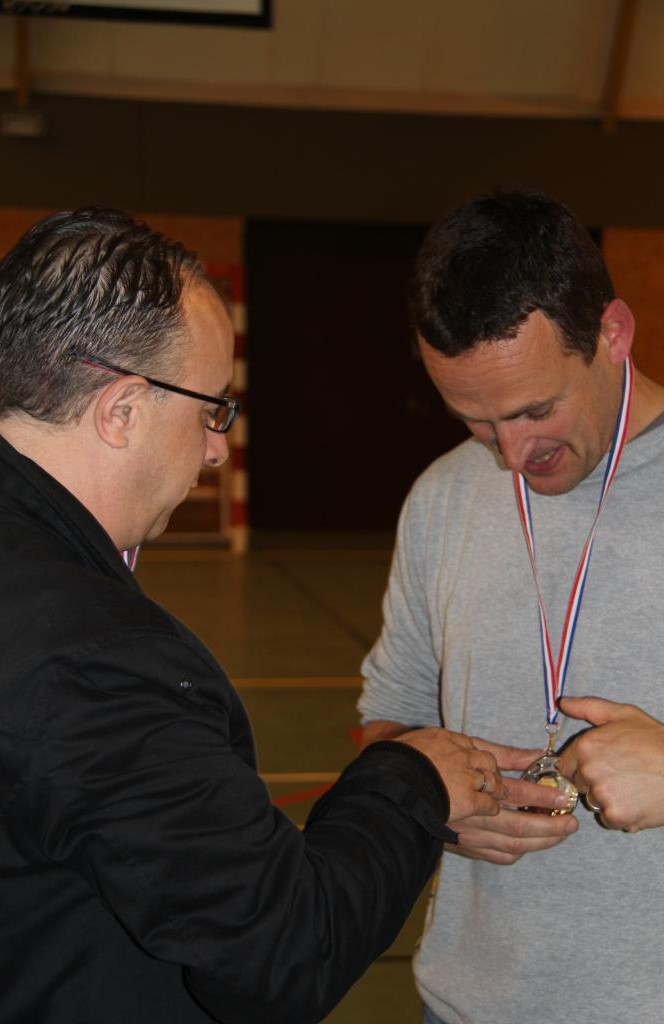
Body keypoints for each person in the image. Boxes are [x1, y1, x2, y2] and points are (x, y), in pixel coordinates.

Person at [0, 208, 558, 1024]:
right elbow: (279, 954)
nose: (217, 448)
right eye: (212, 408)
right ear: (121, 410)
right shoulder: (91, 654)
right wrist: (413, 780)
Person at [359, 189, 664, 1024]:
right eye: (474, 421)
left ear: (611, 334)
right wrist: (432, 797)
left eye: (536, 410)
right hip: (465, 1004)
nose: (511, 455)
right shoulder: (441, 497)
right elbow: (390, 718)